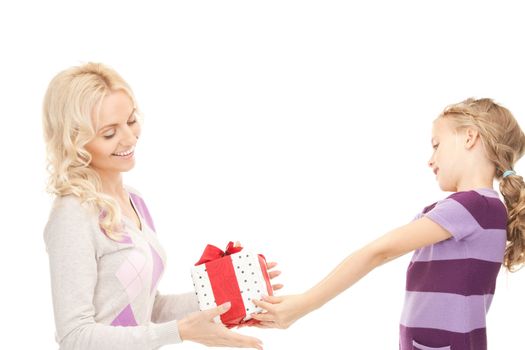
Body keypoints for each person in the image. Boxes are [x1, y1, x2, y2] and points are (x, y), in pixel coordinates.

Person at [251, 98, 525, 350]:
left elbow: (379, 251)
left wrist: (304, 304)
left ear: (470, 137)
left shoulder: (473, 206)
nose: (430, 160)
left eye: (436, 144)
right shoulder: (478, 208)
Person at [42, 62, 281, 350]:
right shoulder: (73, 215)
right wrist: (180, 331)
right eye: (109, 133)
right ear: (75, 141)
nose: (129, 139)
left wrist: (226, 296)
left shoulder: (134, 201)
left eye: (131, 121)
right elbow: (75, 337)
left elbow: (147, 309)